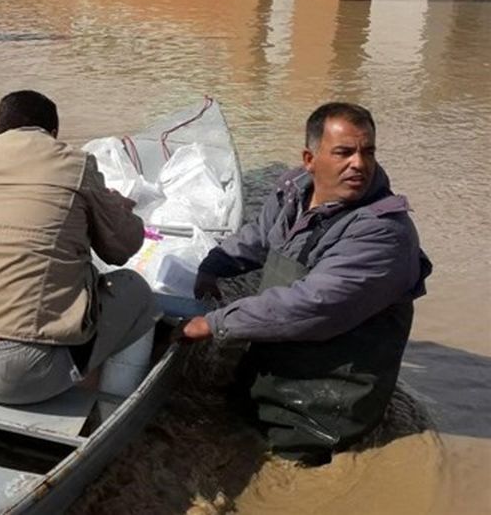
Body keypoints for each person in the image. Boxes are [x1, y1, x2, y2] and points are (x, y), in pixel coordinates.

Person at [181, 102, 430, 465]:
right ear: (310, 159)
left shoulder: (382, 233)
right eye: (344, 152)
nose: (358, 164)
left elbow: (311, 305)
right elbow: (260, 235)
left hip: (326, 405)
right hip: (278, 365)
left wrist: (214, 322)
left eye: (367, 152)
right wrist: (214, 265)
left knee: (291, 464)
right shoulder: (295, 190)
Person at [0, 90, 158, 406]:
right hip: (18, 371)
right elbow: (121, 249)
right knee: (137, 291)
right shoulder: (76, 164)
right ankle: (109, 406)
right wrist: (118, 208)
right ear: (53, 134)